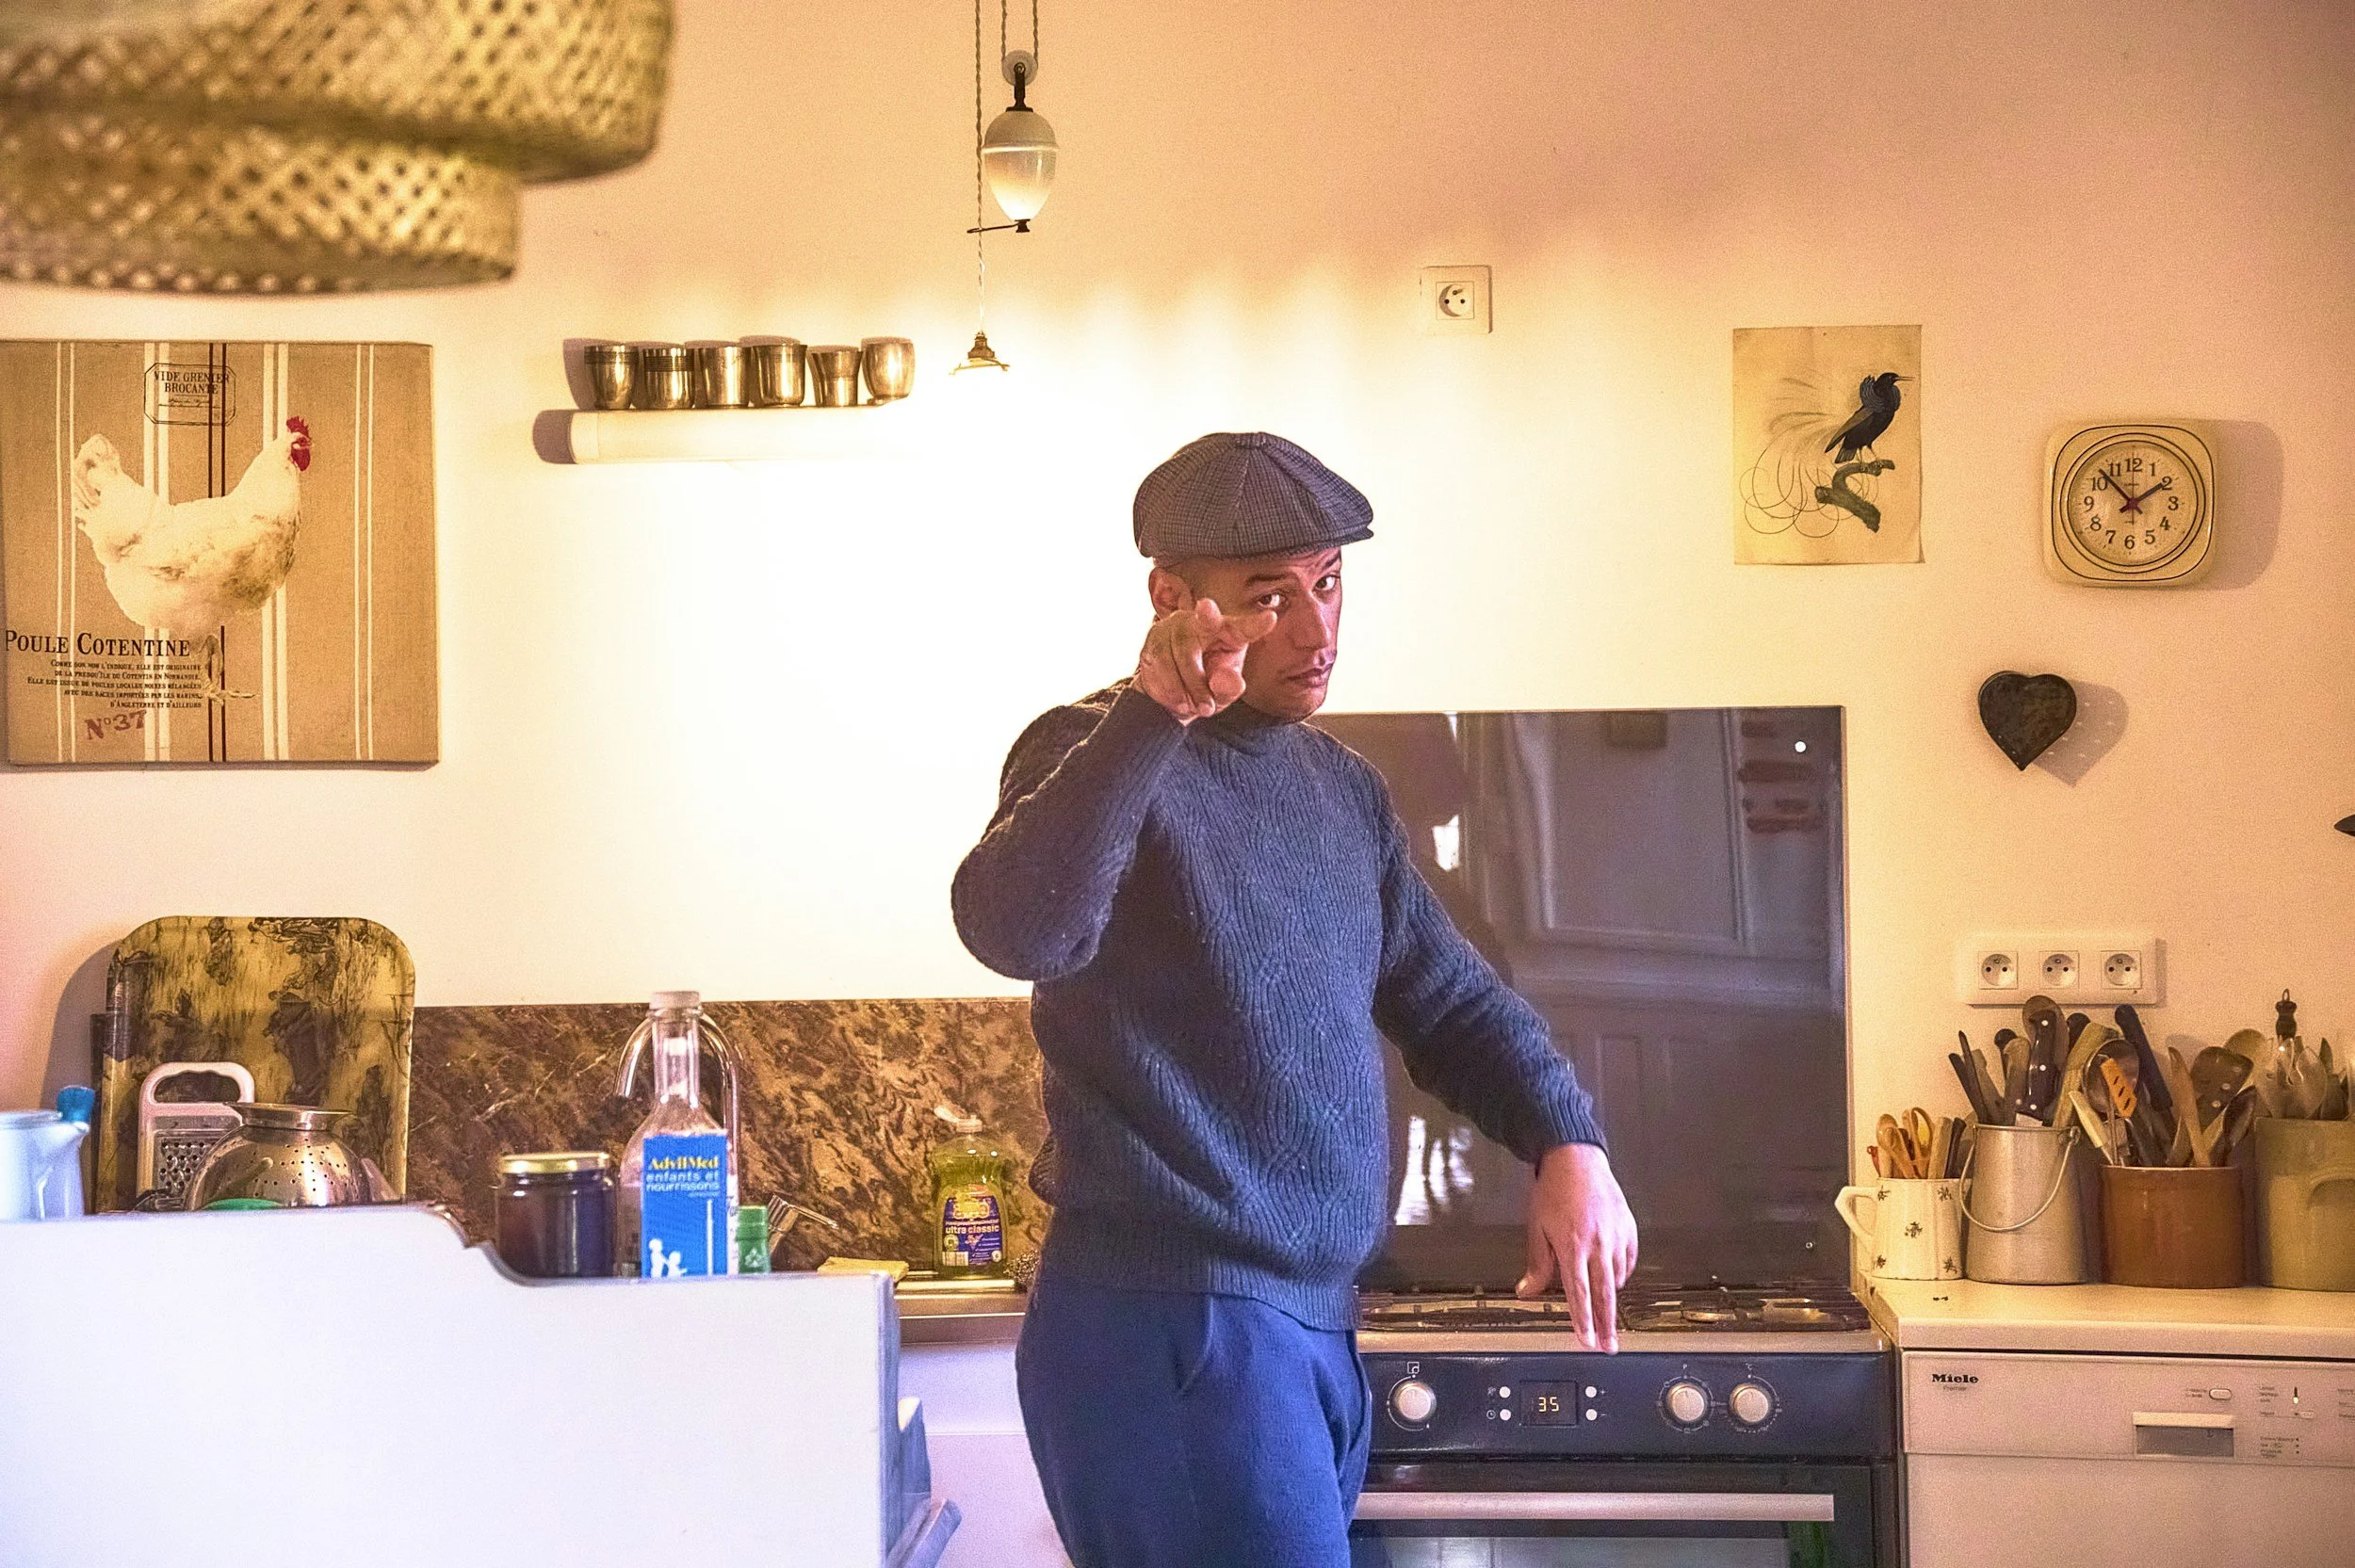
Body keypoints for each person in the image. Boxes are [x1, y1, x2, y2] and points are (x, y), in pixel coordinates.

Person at [951, 431, 1638, 1568]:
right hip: (1173, 1324)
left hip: (1307, 1320)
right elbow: (1014, 928)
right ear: (1172, 599)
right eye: (1270, 597)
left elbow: (1451, 1003)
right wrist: (1147, 714)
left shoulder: (1340, 790)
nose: (1316, 630)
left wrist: (1570, 1141)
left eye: (1328, 584)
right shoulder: (1091, 746)